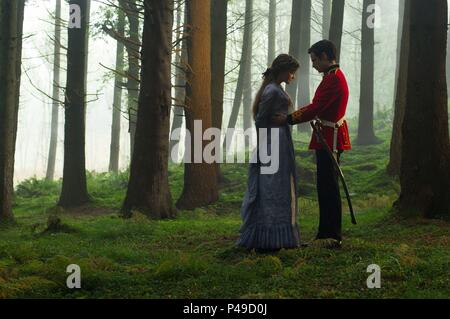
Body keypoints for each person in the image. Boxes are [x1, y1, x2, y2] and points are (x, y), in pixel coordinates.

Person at [273, 40, 351, 249]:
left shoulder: (333, 79)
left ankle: (331, 236)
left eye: (315, 60)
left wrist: (289, 119)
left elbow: (315, 108)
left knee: (328, 188)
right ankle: (326, 233)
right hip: (327, 135)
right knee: (325, 186)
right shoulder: (331, 77)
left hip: (330, 137)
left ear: (326, 56)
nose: (314, 65)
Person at [236, 54, 301, 252]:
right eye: (291, 72)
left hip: (278, 141)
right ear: (282, 70)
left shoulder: (275, 88)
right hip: (273, 143)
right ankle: (268, 237)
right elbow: (260, 119)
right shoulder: (272, 90)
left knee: (279, 186)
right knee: (271, 188)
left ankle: (280, 236)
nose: (293, 76)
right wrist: (265, 145)